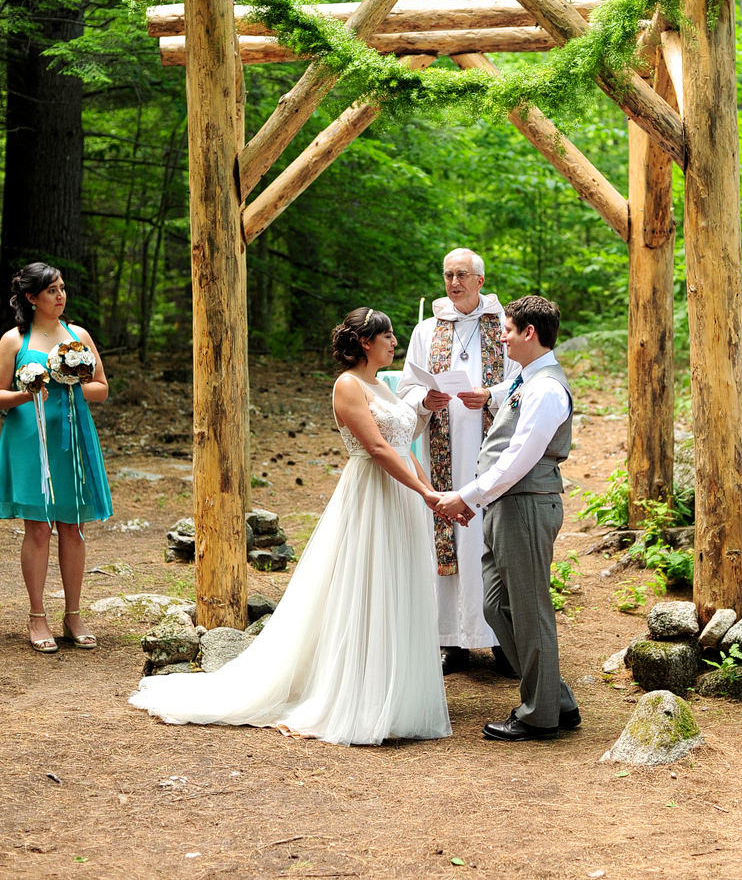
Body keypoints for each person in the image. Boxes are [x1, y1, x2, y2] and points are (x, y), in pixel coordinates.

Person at [130, 308, 451, 746]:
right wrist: (423, 491)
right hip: (370, 494)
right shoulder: (348, 385)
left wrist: (432, 495)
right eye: (388, 336)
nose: (395, 342)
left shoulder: (385, 386)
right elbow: (376, 447)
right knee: (364, 586)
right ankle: (353, 696)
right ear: (364, 343)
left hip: (401, 496)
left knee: (397, 587)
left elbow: (402, 445)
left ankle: (393, 698)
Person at [436, 295, 580, 741]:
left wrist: (467, 496)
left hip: (526, 504)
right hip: (504, 506)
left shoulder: (547, 389)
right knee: (496, 605)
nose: (501, 336)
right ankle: (556, 700)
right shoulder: (524, 378)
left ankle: (540, 716)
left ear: (529, 334)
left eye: (508, 329)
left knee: (529, 608)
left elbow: (519, 458)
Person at [397, 248, 519, 676]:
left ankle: (501, 639)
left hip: (490, 451)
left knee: (489, 540)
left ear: (480, 281)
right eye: (448, 274)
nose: (454, 282)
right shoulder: (427, 330)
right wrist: (424, 400)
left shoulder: (503, 326)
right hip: (442, 448)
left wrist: (491, 395)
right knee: (448, 537)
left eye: (462, 274)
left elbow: (522, 381)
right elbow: (407, 388)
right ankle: (452, 640)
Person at [0, 263, 113, 653]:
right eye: (51, 291)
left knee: (72, 526)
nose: (61, 296)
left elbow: (101, 389)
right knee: (37, 528)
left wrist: (77, 377)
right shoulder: (13, 340)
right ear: (31, 298)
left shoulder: (78, 335)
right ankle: (36, 616)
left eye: (62, 288)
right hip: (30, 439)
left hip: (72, 438)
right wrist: (27, 392)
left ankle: (73, 614)